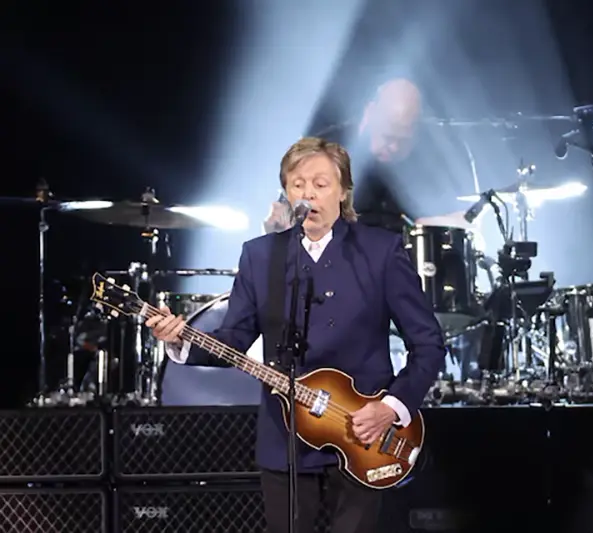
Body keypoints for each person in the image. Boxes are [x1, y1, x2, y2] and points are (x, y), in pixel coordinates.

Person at [146, 136, 447, 533]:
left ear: (343, 191)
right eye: (298, 184)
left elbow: (428, 344)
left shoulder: (381, 250)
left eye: (321, 184)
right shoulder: (260, 255)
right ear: (287, 192)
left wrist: (390, 408)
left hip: (364, 434)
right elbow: (234, 337)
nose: (309, 194)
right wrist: (179, 340)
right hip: (285, 438)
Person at [309, 77, 472, 233]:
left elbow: (459, 216)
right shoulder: (323, 151)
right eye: (387, 137)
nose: (394, 147)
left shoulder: (430, 160)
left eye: (403, 140)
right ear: (369, 115)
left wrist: (438, 223)